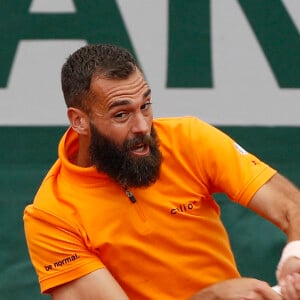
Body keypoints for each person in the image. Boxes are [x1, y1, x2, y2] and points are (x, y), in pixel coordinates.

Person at [23, 43, 300, 300]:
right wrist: (211, 297)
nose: (143, 126)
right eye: (122, 114)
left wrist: (294, 258)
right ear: (79, 121)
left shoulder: (190, 139)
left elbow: (291, 207)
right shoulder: (50, 217)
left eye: (145, 105)